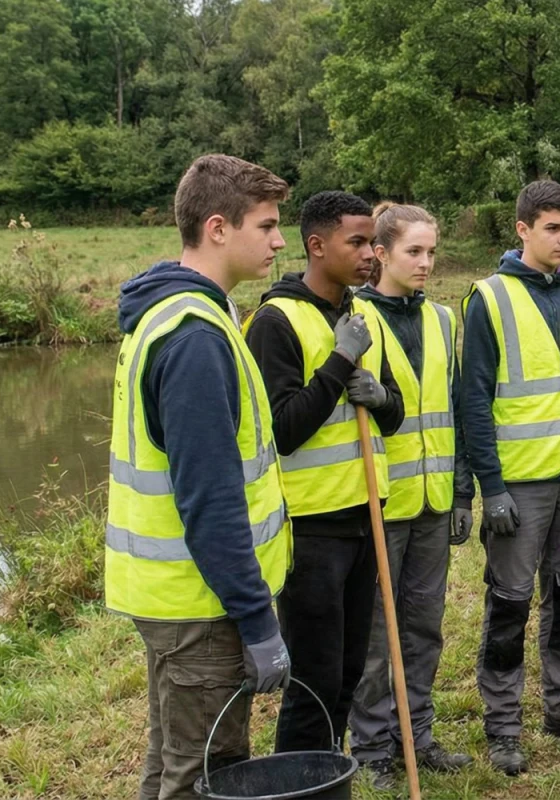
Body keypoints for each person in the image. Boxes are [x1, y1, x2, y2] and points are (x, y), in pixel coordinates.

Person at [108, 154, 293, 800]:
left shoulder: (182, 315)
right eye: (266, 225)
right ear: (218, 228)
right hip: (203, 607)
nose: (279, 241)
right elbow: (210, 501)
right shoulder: (194, 337)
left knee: (172, 762)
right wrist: (257, 620)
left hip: (180, 599)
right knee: (207, 774)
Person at [459, 180, 560, 777]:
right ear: (522, 229)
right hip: (520, 485)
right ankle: (503, 726)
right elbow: (474, 404)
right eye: (551, 228)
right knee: (509, 605)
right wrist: (491, 487)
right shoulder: (490, 299)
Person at [243, 191, 406, 754]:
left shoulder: (363, 316)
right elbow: (283, 429)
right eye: (356, 242)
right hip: (311, 529)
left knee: (348, 671)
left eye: (372, 243)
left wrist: (378, 396)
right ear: (316, 245)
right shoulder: (274, 322)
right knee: (314, 678)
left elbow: (395, 415)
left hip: (366, 517)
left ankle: (328, 771)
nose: (369, 254)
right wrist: (339, 363)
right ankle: (299, 774)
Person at [346, 203, 472, 789]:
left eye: (431, 251)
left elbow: (456, 409)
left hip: (434, 499)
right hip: (382, 501)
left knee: (425, 627)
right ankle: (372, 748)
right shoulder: (355, 320)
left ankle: (416, 735)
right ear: (381, 253)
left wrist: (462, 492)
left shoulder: (443, 320)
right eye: (413, 251)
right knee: (378, 634)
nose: (425, 262)